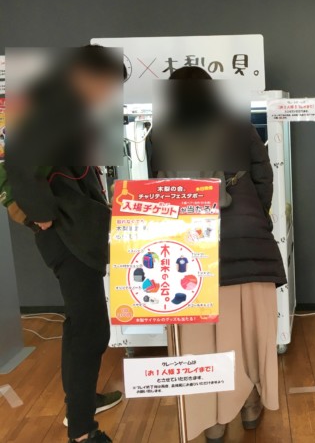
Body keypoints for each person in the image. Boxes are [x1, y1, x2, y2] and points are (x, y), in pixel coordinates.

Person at [148, 66, 286, 443]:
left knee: (197, 337)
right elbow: (264, 177)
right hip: (246, 242)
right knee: (246, 332)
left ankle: (212, 419)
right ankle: (250, 403)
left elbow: (156, 190)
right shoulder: (238, 126)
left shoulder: (159, 133)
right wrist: (255, 216)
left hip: (187, 248)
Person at [4, 46, 126, 443]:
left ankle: (82, 402)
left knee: (82, 324)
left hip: (73, 229)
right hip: (67, 234)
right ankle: (82, 430)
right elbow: (19, 162)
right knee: (89, 328)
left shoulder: (57, 104)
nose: (107, 93)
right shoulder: (55, 106)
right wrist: (41, 215)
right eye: (107, 85)